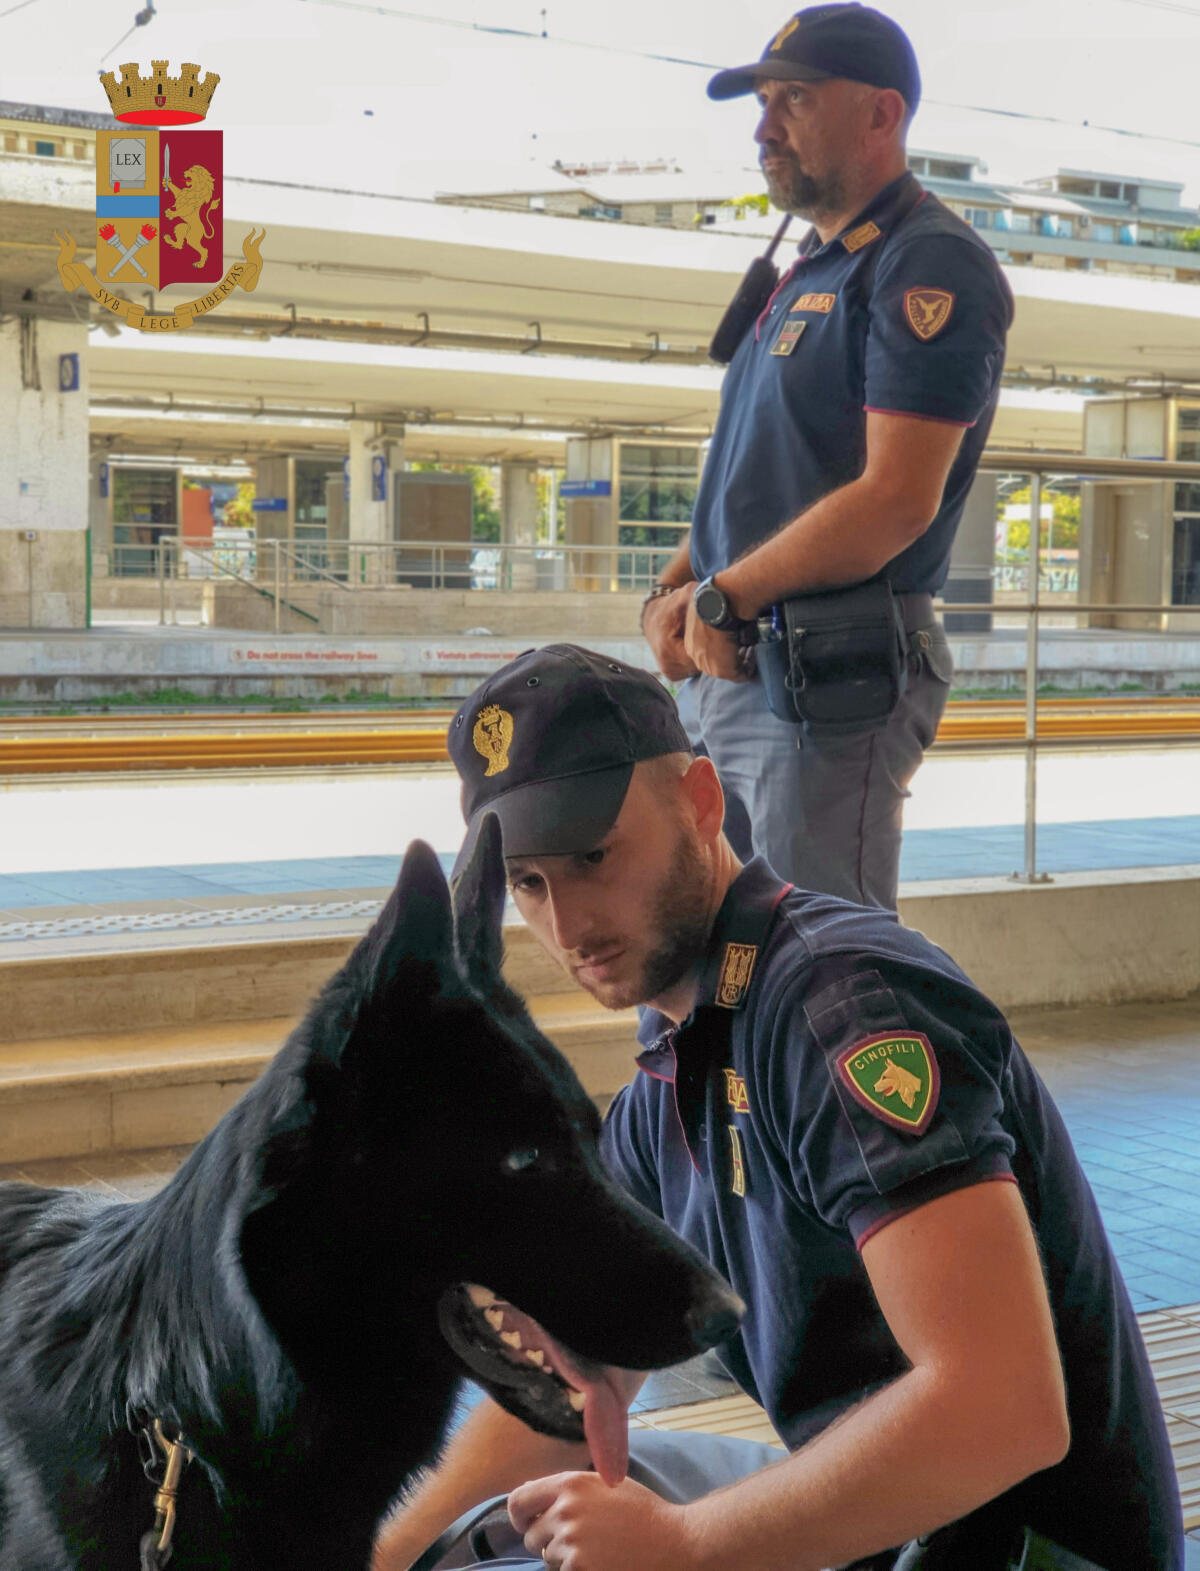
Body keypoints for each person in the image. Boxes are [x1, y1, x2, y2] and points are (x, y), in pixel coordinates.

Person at [373, 643, 1183, 1571]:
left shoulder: (842, 1007)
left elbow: (1003, 1407)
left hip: (1021, 1551)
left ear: (702, 802)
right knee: (507, 1521)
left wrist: (685, 1546)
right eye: (529, 881)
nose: (566, 923)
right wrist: (377, 1552)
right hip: (893, 1528)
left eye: (594, 855)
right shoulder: (670, 1075)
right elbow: (575, 1379)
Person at [641, 4, 1014, 910]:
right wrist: (675, 588)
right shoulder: (813, 266)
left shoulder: (927, 264)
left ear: (882, 114)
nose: (765, 129)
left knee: (819, 950)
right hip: (738, 659)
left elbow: (896, 498)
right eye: (762, 103)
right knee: (711, 937)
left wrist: (724, 595)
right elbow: (755, 474)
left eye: (795, 101)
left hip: (827, 678)